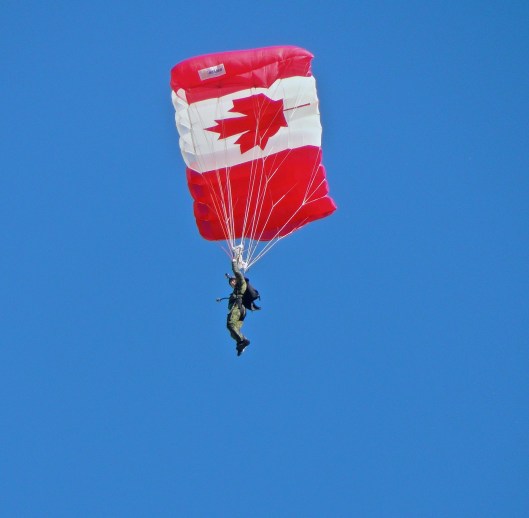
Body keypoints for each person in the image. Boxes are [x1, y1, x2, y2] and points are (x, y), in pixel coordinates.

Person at [226, 254, 251, 356]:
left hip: (239, 308)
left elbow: (237, 272)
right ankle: (241, 343)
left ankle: (243, 341)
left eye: (232, 280)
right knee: (232, 330)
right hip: (239, 310)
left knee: (230, 324)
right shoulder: (234, 293)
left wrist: (234, 261)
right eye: (230, 282)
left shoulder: (241, 283)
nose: (231, 282)